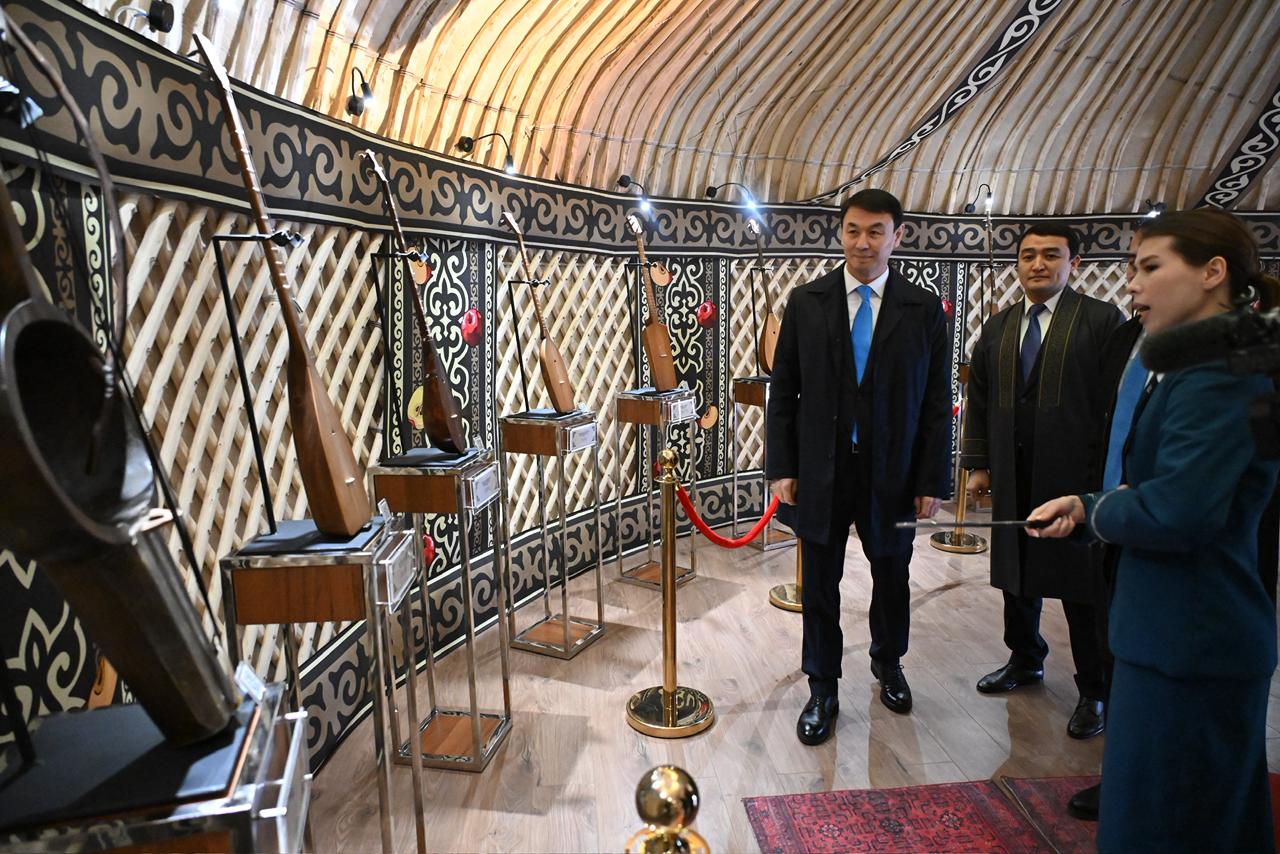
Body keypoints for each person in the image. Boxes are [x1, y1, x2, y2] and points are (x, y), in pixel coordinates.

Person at [1028, 208, 1280, 851]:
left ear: (1212, 272)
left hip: (1190, 637)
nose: (1133, 284)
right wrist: (1088, 505)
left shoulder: (1220, 374)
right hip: (1176, 630)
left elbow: (1179, 512)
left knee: (1168, 826)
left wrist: (1101, 512)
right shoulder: (1211, 363)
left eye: (1150, 267)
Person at [766, 188, 951, 743]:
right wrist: (782, 466)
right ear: (840, 233)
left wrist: (932, 477)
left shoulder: (923, 310)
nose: (863, 242)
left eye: (875, 231)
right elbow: (785, 392)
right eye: (853, 230)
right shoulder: (807, 302)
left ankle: (888, 662)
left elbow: (936, 401)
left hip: (893, 472)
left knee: (892, 574)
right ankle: (822, 686)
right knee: (820, 582)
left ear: (898, 236)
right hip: (822, 469)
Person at [961, 223, 1123, 739]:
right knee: (1017, 574)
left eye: (1051, 255)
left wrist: (1104, 482)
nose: (1037, 264)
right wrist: (979, 463)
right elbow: (980, 400)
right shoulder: (999, 326)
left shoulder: (1102, 321)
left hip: (1076, 478)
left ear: (1074, 262)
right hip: (1013, 471)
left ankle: (1095, 689)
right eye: (1028, 255)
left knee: (1083, 588)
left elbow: (1113, 404)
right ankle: (1025, 659)